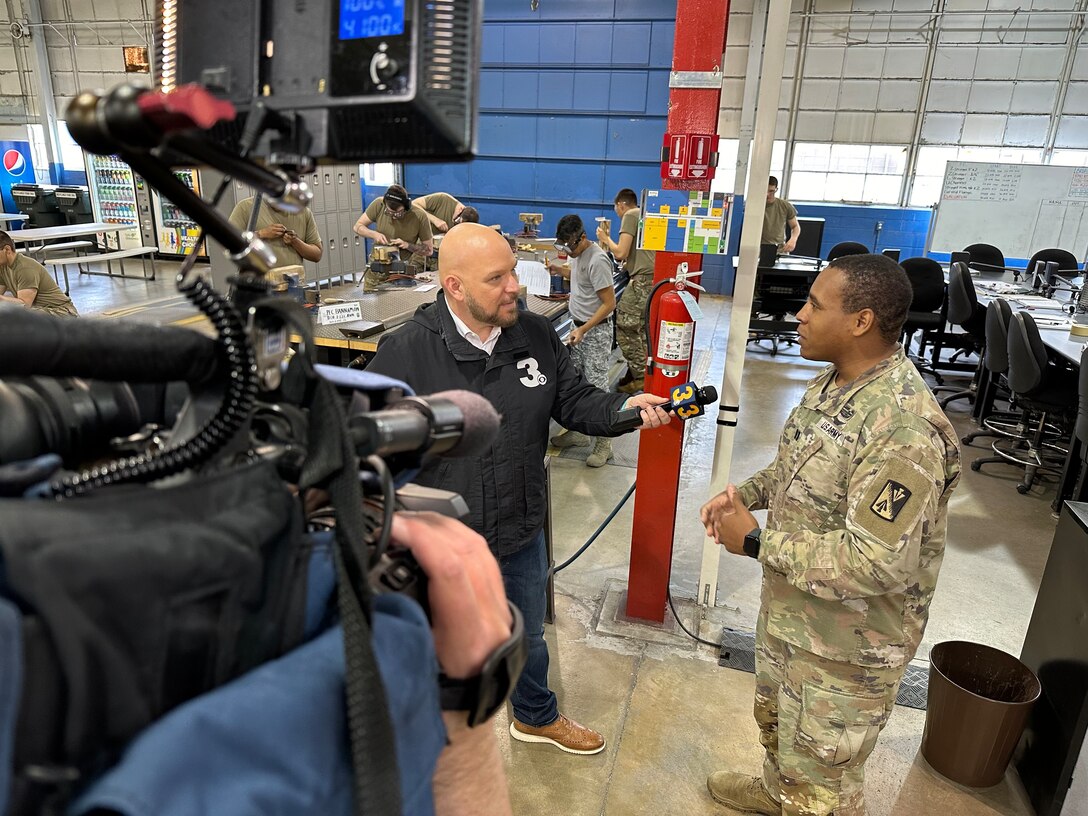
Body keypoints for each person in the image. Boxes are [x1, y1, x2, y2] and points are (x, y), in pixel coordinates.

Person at [366, 223, 671, 756]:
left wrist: (624, 409)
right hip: (443, 544)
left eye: (513, 270)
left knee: (527, 637)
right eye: (498, 277)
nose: (516, 285)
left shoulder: (533, 335)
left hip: (519, 527)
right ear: (455, 287)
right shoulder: (407, 354)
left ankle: (533, 717)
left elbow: (574, 402)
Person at [700, 254, 961, 816]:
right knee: (780, 729)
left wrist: (754, 542)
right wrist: (749, 493)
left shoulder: (903, 428)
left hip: (849, 644)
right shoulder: (834, 382)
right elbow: (800, 463)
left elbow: (875, 563)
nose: (798, 315)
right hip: (798, 612)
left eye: (815, 305)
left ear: (860, 321)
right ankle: (778, 792)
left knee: (825, 778)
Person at [546, 214, 620, 467]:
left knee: (597, 387)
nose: (567, 250)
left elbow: (610, 304)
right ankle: (579, 432)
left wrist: (585, 329)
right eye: (562, 245)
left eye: (570, 246)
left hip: (594, 331)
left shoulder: (598, 259)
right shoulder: (579, 256)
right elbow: (582, 278)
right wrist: (560, 269)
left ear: (583, 238)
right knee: (575, 383)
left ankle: (604, 444)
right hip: (578, 328)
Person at [596, 188, 656, 394]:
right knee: (641, 330)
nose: (618, 213)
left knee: (624, 327)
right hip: (650, 280)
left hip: (642, 281)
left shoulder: (630, 215)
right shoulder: (644, 214)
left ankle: (640, 376)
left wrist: (605, 238)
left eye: (617, 209)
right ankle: (640, 373)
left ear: (621, 205)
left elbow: (620, 252)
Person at [353, 185, 434, 290]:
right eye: (389, 212)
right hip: (376, 272)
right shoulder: (379, 204)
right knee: (370, 300)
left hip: (401, 275)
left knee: (398, 304)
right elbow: (357, 226)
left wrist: (407, 245)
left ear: (407, 206)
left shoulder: (419, 216)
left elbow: (428, 250)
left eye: (398, 213)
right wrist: (374, 234)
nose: (393, 216)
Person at [227, 196, 323, 281]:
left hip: (293, 286)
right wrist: (261, 234)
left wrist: (295, 242)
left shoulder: (303, 212)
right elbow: (229, 242)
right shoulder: (245, 208)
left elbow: (317, 255)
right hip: (259, 286)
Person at [0, 231, 78, 316]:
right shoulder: (3, 266)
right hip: (42, 311)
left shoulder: (25, 268)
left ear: (7, 249)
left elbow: (24, 305)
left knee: (17, 315)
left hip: (62, 312)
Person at [763, 176, 801, 254]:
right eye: (765, 191)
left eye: (771, 191)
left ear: (776, 190)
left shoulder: (785, 206)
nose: (767, 194)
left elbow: (795, 226)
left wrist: (793, 240)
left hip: (779, 249)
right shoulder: (754, 206)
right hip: (758, 248)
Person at [412, 192, 480, 233]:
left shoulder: (464, 222)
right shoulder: (442, 199)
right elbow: (413, 204)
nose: (456, 225)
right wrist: (435, 220)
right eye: (457, 221)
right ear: (460, 209)